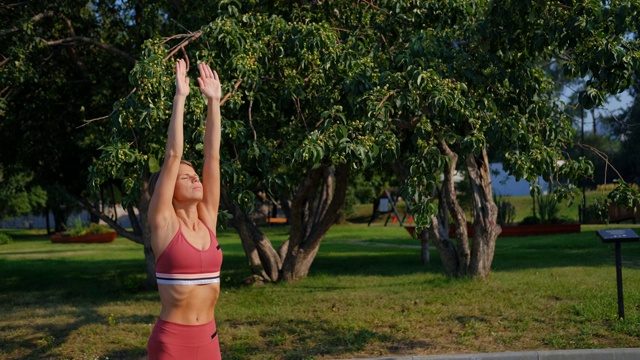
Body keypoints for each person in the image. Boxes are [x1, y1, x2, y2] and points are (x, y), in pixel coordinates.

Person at [146, 58, 223, 360]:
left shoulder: (208, 219)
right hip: (172, 343)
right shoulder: (164, 223)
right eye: (185, 177)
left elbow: (212, 157)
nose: (194, 178)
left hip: (209, 338)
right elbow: (173, 154)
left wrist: (214, 102)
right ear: (168, 191)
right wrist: (181, 97)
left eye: (194, 176)